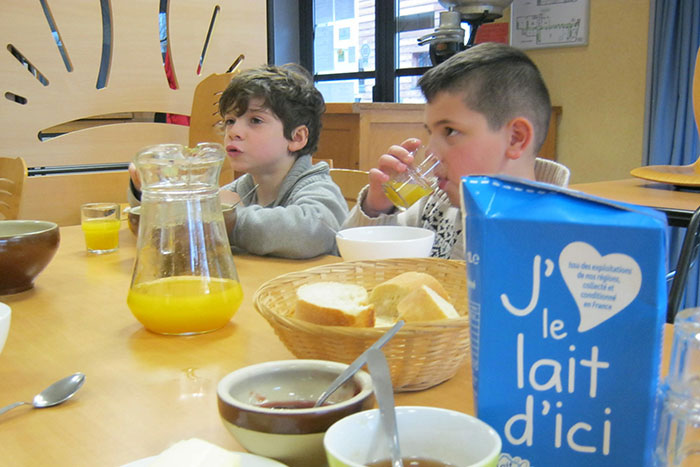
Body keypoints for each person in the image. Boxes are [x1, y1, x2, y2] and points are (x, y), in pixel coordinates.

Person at [342, 42, 552, 259]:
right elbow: (357, 262)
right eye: (430, 132)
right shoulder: (434, 204)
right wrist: (377, 208)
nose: (431, 151)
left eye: (450, 131)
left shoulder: (553, 237)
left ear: (516, 138)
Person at [128, 64, 348, 259]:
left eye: (255, 120)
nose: (234, 131)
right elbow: (189, 218)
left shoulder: (316, 186)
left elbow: (313, 232)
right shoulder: (245, 187)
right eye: (230, 121)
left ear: (297, 138)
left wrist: (231, 221)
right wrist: (151, 192)